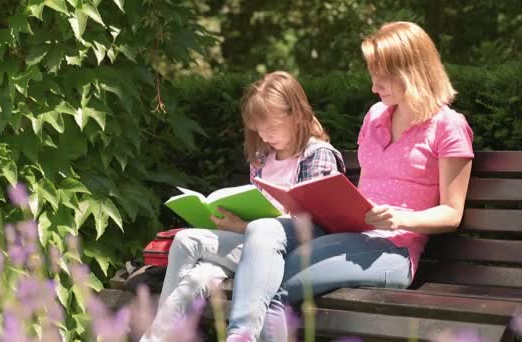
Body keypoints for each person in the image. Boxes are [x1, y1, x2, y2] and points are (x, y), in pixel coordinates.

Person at [230, 21, 473, 341]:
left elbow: (452, 213)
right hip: (346, 233)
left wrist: (401, 217)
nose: (374, 86)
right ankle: (239, 334)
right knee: (261, 228)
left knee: (274, 290)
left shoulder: (448, 127)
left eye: (381, 77)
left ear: (410, 71)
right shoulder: (375, 116)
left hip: (393, 250)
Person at [140, 71, 345, 341]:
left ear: (296, 115)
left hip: (283, 255)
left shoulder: (317, 155)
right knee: (197, 278)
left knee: (188, 241)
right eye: (258, 130)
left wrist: (245, 227)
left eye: (271, 128)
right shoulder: (263, 157)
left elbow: (315, 227)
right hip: (244, 246)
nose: (265, 136)